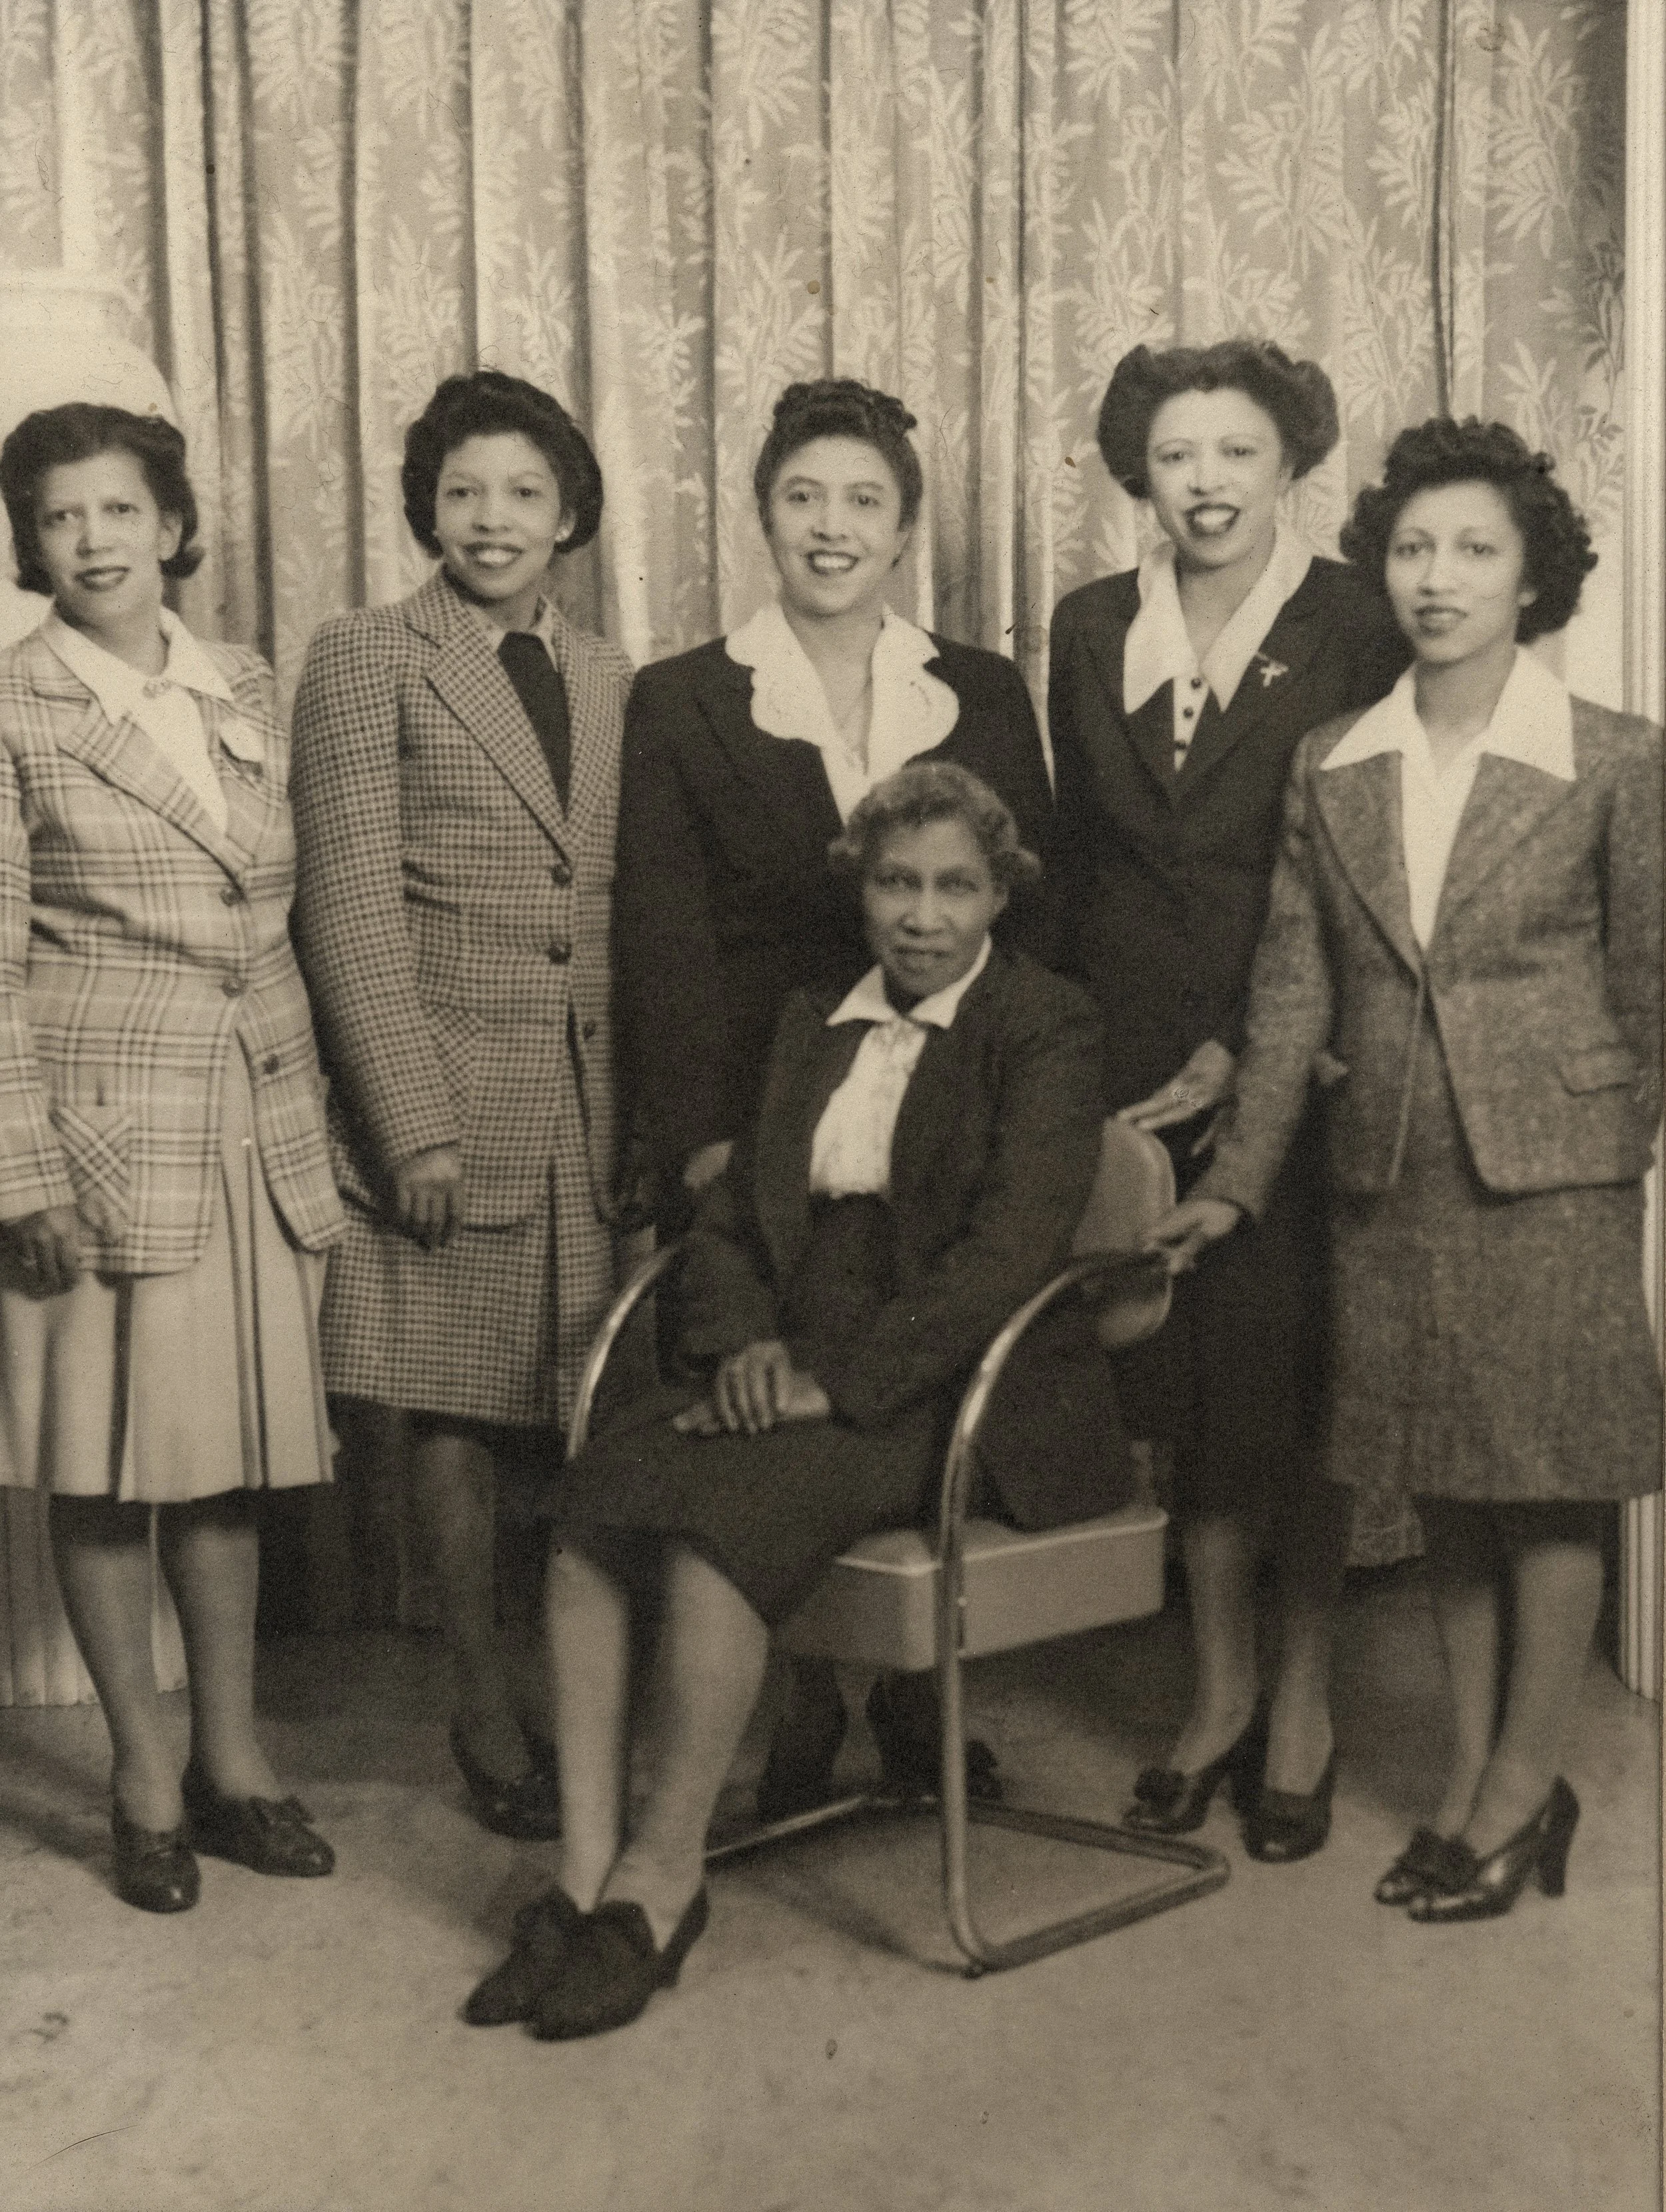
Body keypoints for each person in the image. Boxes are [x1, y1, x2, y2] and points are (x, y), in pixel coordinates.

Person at [464, 761, 1129, 2038]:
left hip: (958, 1382)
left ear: (1000, 897)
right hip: (792, 1353)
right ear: (861, 890)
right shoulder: (813, 1011)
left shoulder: (1046, 1023)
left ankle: (663, 1884)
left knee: (724, 1521)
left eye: (954, 888)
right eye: (896, 884)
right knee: (597, 1502)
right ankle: (581, 1873)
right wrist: (745, 1346)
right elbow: (727, 1217)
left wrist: (835, 1380)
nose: (922, 917)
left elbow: (1008, 1255)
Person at [1156, 417, 1662, 1918]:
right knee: (1443, 1483)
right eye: (1412, 548)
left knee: (1551, 1486)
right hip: (1385, 1172)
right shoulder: (1334, 761)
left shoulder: (1614, 760)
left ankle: (1515, 1790)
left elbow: (1653, 984)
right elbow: (1289, 995)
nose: (1436, 578)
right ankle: (1473, 1778)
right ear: (1380, 569)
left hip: (1554, 1179)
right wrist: (1235, 1181)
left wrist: (1606, 1151)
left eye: (1474, 549)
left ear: (1530, 578)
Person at [614, 377, 1058, 1812]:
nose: (831, 525)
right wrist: (698, 1150)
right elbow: (664, 942)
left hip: (944, 1107)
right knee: (764, 1396)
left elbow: (1025, 923)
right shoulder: (683, 694)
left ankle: (919, 1707)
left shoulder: (978, 689)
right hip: (764, 1100)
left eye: (863, 499)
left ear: (905, 525)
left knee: (893, 1377)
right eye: (802, 496)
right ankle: (806, 1705)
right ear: (759, 515)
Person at [1048, 340, 1407, 1862]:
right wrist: (1082, 1064)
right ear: (1143, 471)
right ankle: (1213, 1695)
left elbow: (1369, 859)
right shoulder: (1085, 625)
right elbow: (1075, 860)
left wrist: (1243, 1051)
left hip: (1294, 1055)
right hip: (1127, 1058)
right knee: (1184, 1394)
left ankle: (1305, 1703)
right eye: (1177, 454)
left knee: (1291, 1387)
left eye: (1235, 453)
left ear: (1286, 467)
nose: (1203, 482)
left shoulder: (1347, 621)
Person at [0, 404, 343, 1911]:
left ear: (173, 525)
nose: (94, 541)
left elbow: (277, 910)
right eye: (62, 518)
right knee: (99, 1466)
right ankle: (143, 1773)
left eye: (119, 511)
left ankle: (234, 1758)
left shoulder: (244, 684)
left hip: (252, 1122)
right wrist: (19, 1174)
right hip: (97, 1131)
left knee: (221, 1469)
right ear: (30, 543)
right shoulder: (13, 709)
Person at [291, 371, 634, 1838]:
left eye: (521, 493)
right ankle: (483, 1707)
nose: (490, 519)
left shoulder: (620, 678)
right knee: (452, 1418)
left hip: (593, 1102)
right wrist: (408, 1118)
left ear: (570, 515)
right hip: (450, 1093)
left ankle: (577, 1698)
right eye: (460, 492)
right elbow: (349, 904)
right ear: (426, 507)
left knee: (580, 1411)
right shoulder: (367, 656)